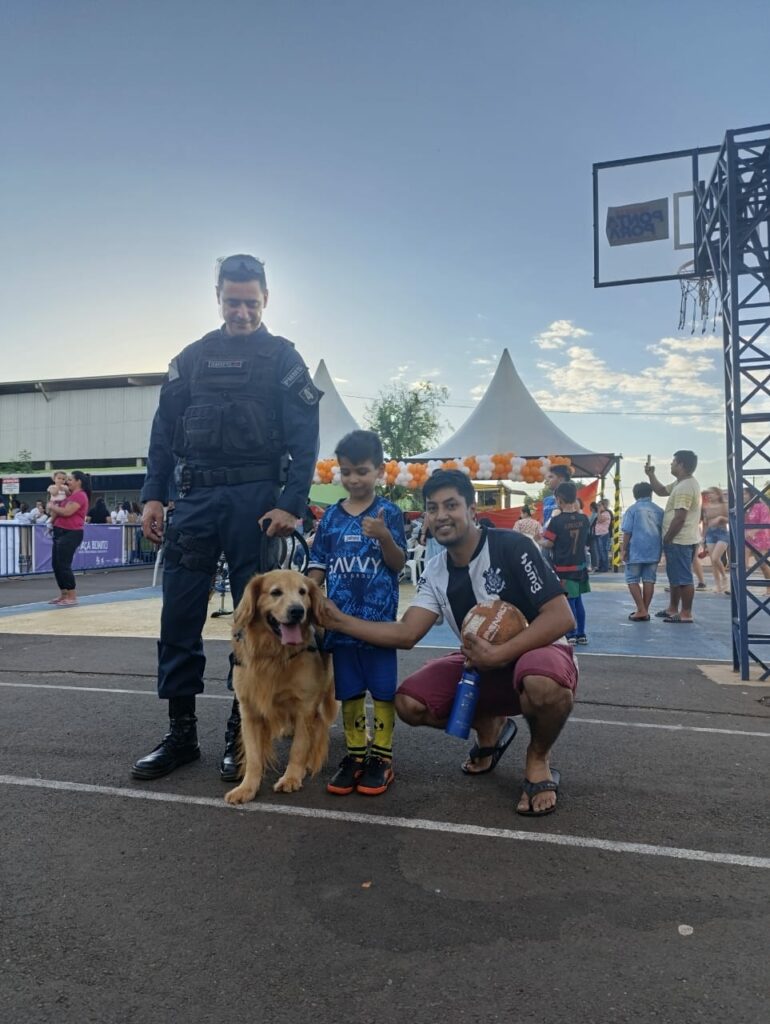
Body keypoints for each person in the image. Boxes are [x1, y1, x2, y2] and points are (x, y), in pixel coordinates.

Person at [131, 253, 321, 782]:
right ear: (218, 297)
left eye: (251, 303)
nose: (242, 312)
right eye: (233, 301)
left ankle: (244, 733)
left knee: (256, 625)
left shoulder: (282, 358)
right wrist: (153, 495)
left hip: (257, 504)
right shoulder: (192, 358)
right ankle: (181, 734)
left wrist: (292, 503)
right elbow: (163, 432)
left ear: (267, 300)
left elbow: (306, 436)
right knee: (179, 616)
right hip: (195, 499)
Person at [322, 469, 577, 817]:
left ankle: (538, 758)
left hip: (538, 660)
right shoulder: (435, 570)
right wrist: (340, 621)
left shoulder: (513, 546)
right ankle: (490, 726)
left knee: (542, 684)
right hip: (482, 667)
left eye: (451, 505)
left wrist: (500, 653)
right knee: (409, 704)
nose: (441, 515)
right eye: (432, 508)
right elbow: (407, 634)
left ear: (472, 510)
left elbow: (561, 617)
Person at [309, 430, 406, 796]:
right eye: (347, 471)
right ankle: (354, 755)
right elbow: (318, 564)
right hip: (339, 623)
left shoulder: (389, 513)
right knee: (348, 692)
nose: (354, 479)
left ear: (379, 471)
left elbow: (397, 564)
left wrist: (384, 536)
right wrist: (307, 593)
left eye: (362, 471)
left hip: (378, 625)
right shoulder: (331, 517)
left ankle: (381, 758)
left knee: (382, 692)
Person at [645, 450, 701, 623]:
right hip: (680, 539)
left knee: (683, 578)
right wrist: (651, 475)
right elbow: (661, 491)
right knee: (675, 577)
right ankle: (672, 608)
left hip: (680, 540)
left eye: (673, 461)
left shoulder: (685, 487)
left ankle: (686, 613)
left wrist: (668, 537)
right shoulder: (681, 483)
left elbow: (680, 517)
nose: (671, 464)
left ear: (681, 464)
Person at [539, 481, 590, 644]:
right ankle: (581, 633)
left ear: (559, 499)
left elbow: (549, 543)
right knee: (578, 600)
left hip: (564, 567)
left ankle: (571, 633)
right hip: (580, 566)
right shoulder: (584, 519)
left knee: (569, 601)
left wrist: (537, 540)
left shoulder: (557, 521)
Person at [620, 482, 664, 621]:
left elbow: (627, 531)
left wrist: (623, 549)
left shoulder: (632, 510)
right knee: (649, 580)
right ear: (651, 494)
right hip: (653, 550)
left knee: (632, 579)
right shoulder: (659, 511)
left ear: (635, 495)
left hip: (635, 550)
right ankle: (644, 610)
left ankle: (641, 609)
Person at [46, 471, 91, 605]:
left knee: (64, 564)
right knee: (56, 564)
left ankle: (72, 595)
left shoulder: (80, 495)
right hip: (59, 531)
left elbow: (67, 512)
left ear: (79, 482)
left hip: (71, 532)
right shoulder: (69, 495)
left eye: (70, 480)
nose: (67, 482)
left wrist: (52, 506)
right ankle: (64, 593)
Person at [702, 487, 730, 595]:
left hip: (722, 532)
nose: (709, 495)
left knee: (715, 557)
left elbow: (731, 519)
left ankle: (724, 577)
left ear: (718, 494)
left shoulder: (724, 505)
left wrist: (721, 518)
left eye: (712, 493)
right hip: (710, 533)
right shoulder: (705, 507)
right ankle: (718, 585)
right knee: (713, 562)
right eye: (708, 493)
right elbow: (705, 523)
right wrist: (703, 537)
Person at [743, 485, 770, 593]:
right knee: (741, 562)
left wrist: (753, 531)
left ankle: (769, 587)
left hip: (760, 539)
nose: (742, 496)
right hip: (746, 539)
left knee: (763, 565)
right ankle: (738, 587)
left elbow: (766, 522)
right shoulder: (743, 507)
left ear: (751, 494)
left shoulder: (761, 506)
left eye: (744, 493)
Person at [593, 499, 612, 572]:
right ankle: (600, 566)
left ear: (604, 506)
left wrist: (598, 511)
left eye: (600, 505)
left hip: (603, 534)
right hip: (598, 534)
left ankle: (605, 567)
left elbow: (600, 520)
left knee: (603, 551)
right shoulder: (601, 513)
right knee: (599, 552)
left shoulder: (606, 513)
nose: (598, 507)